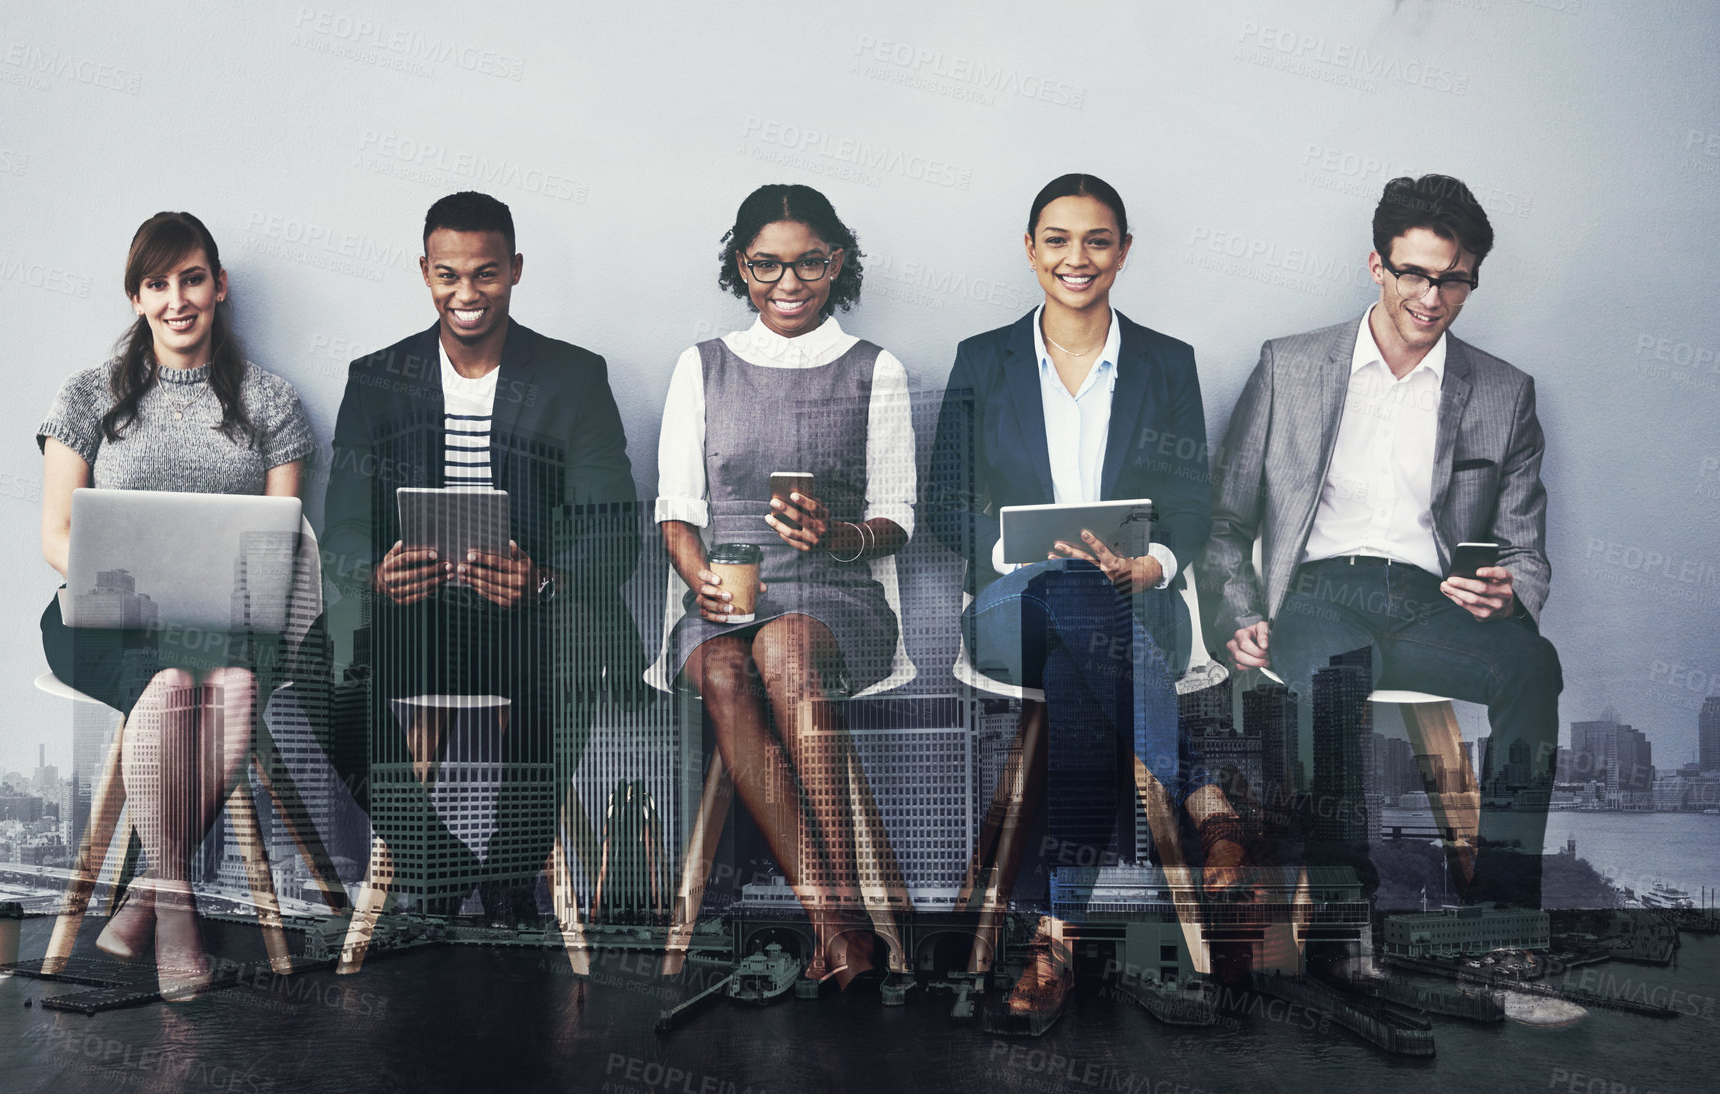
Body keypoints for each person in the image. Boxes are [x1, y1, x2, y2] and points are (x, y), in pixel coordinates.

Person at [1199, 173, 1561, 913]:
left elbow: (1525, 548)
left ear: (1471, 282)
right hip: (1320, 595)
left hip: (1434, 605)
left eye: (1453, 282)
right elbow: (1226, 523)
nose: (1431, 299)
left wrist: (1507, 588)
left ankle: (1503, 906)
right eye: (1415, 275)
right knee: (1327, 684)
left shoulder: (1502, 392)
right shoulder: (1289, 367)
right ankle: (1344, 908)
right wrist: (1234, 614)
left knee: (1533, 668)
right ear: (1377, 266)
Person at [926, 173, 1245, 1010]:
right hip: (1008, 606)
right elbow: (942, 507)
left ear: (1124, 253)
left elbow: (1190, 509)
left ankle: (1052, 943)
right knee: (1068, 590)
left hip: (1137, 605)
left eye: (1097, 241)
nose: (1078, 258)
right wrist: (1016, 552)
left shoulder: (1166, 363)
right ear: (1029, 250)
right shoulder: (980, 359)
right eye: (1057, 240)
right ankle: (1202, 792)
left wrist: (1154, 564)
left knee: (1079, 672)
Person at [319, 191, 639, 935]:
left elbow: (613, 529)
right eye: (448, 275)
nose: (466, 294)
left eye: (486, 274)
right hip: (414, 610)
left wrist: (543, 579)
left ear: (516, 271)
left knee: (571, 651)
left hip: (532, 610)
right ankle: (435, 861)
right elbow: (340, 526)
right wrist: (375, 573)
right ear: (425, 273)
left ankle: (508, 870)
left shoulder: (572, 376)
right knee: (315, 677)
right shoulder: (377, 378)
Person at [37, 211, 316, 998]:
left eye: (192, 278)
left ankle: (149, 896)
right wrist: (125, 583)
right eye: (157, 284)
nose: (177, 299)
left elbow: (280, 539)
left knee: (229, 685)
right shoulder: (88, 394)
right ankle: (180, 907)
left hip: (230, 619)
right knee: (166, 688)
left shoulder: (270, 400)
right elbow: (57, 534)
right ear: (136, 299)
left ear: (219, 286)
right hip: (107, 613)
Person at [656, 183, 916, 992]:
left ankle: (839, 924)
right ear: (741, 267)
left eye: (808, 262)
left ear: (836, 264)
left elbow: (896, 518)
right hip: (723, 598)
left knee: (784, 648)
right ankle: (839, 924)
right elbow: (675, 513)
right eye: (766, 265)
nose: (789, 283)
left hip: (835, 600)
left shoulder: (877, 369)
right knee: (731, 672)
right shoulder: (701, 367)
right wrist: (698, 580)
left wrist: (841, 537)